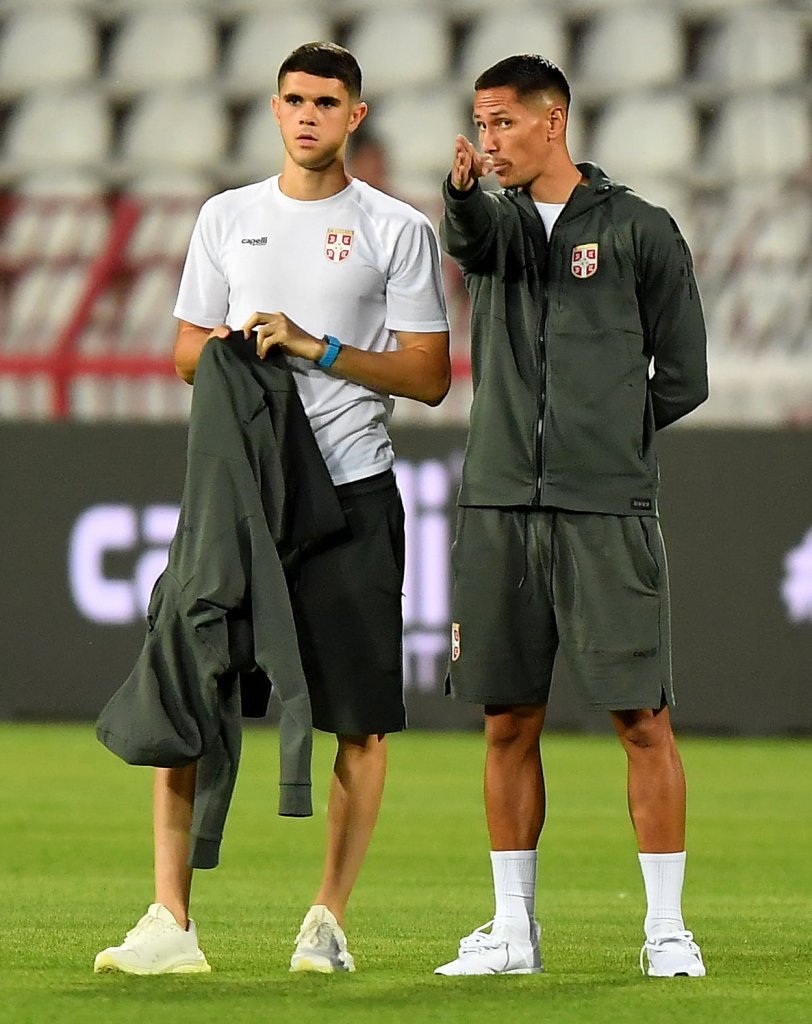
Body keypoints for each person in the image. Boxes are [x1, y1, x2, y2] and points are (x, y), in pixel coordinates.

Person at [94, 41, 450, 976]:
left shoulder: (395, 228)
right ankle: (171, 921)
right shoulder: (227, 217)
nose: (307, 116)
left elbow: (429, 375)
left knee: (360, 721)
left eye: (326, 103)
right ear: (275, 108)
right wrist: (230, 344)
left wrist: (314, 347)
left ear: (355, 116)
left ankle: (327, 920)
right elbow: (183, 350)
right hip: (242, 501)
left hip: (351, 491)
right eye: (294, 100)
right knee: (188, 689)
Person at [434, 54, 708, 979]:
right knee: (506, 723)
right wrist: (460, 195)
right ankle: (513, 932)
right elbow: (468, 236)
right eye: (481, 123)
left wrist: (603, 444)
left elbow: (686, 374)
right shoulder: (496, 226)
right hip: (500, 504)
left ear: (553, 122)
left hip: (605, 511)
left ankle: (666, 930)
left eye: (504, 122)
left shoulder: (639, 229)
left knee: (643, 721)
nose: (489, 140)